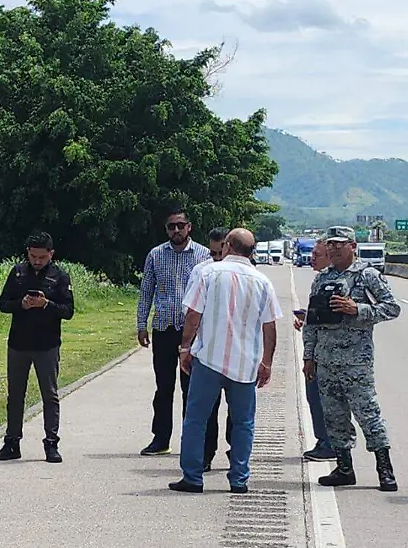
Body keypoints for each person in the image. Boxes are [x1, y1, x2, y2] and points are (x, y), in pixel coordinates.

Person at [168, 229, 280, 494]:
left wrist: (185, 348)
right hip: (245, 365)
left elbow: (193, 315)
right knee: (243, 423)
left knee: (196, 419)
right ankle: (239, 479)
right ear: (251, 251)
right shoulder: (262, 281)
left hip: (209, 359)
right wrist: (267, 362)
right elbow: (270, 325)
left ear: (227, 246)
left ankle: (193, 477)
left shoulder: (208, 273)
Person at [302, 226, 401, 491]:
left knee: (368, 415)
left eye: (339, 244)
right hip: (325, 360)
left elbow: (392, 308)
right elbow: (311, 321)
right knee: (334, 417)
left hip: (356, 362)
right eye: (330, 245)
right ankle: (344, 468)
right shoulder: (322, 279)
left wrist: (358, 309)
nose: (334, 249)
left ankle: (385, 470)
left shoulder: (367, 275)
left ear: (352, 246)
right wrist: (308, 356)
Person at [136, 210, 229, 469]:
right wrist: (141, 325)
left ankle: (192, 442)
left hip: (194, 330)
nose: (176, 231)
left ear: (189, 227)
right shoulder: (156, 255)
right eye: (171, 227)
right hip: (164, 327)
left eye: (180, 225)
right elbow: (146, 291)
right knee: (163, 387)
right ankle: (160, 438)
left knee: (192, 390)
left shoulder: (204, 255)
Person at [0, 232, 75, 464]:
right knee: (15, 395)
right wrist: (22, 304)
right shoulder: (18, 272)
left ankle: (51, 443)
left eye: (42, 257)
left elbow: (68, 311)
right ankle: (12, 442)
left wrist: (46, 304)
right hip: (19, 343)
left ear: (51, 254)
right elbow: (3, 304)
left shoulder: (60, 276)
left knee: (50, 395)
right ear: (27, 252)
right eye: (33, 256)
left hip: (47, 344)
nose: (37, 261)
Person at [293, 240, 337, 462]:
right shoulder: (320, 280)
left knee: (326, 401)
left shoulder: (342, 280)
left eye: (317, 255)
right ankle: (325, 442)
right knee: (315, 398)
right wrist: (307, 318)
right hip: (317, 351)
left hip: (333, 355)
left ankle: (331, 445)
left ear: (330, 256)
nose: (311, 258)